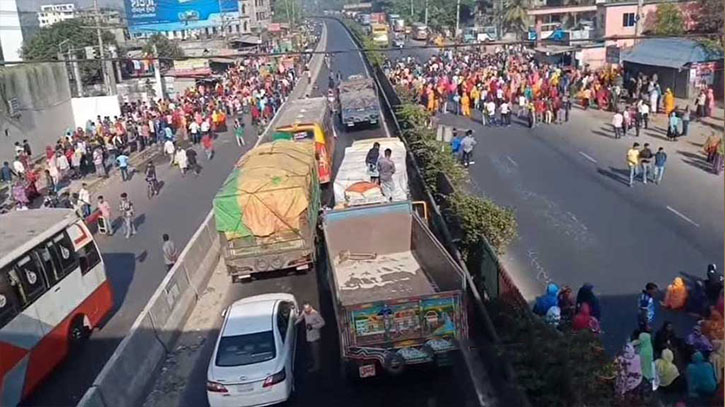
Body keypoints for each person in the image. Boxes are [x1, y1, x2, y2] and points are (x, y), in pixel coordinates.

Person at [295, 302, 325, 373]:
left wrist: (313, 326)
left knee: (315, 353)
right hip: (308, 337)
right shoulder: (304, 312)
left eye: (308, 311)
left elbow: (322, 323)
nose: (307, 313)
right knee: (311, 352)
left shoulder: (315, 314)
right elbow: (301, 318)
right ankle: (313, 364)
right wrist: (294, 323)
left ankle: (317, 367)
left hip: (315, 337)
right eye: (306, 311)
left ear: (311, 308)